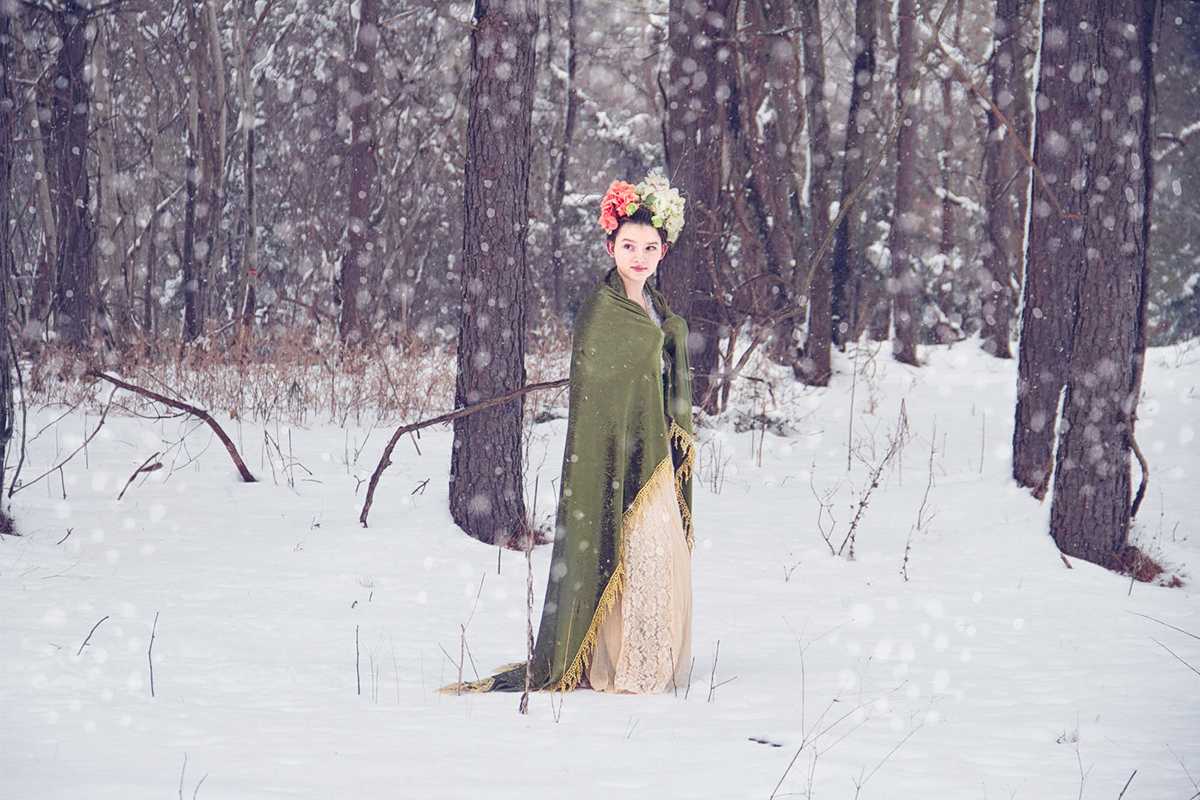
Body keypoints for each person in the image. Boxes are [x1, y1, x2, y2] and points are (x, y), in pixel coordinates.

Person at [449, 174, 695, 695]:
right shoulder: (603, 313)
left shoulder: (660, 311)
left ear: (663, 251)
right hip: (614, 456)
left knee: (655, 555)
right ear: (610, 246)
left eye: (650, 247)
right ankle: (617, 663)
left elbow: (657, 375)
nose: (639, 256)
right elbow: (601, 393)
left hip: (650, 457)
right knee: (623, 550)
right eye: (628, 246)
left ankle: (646, 661)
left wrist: (669, 341)